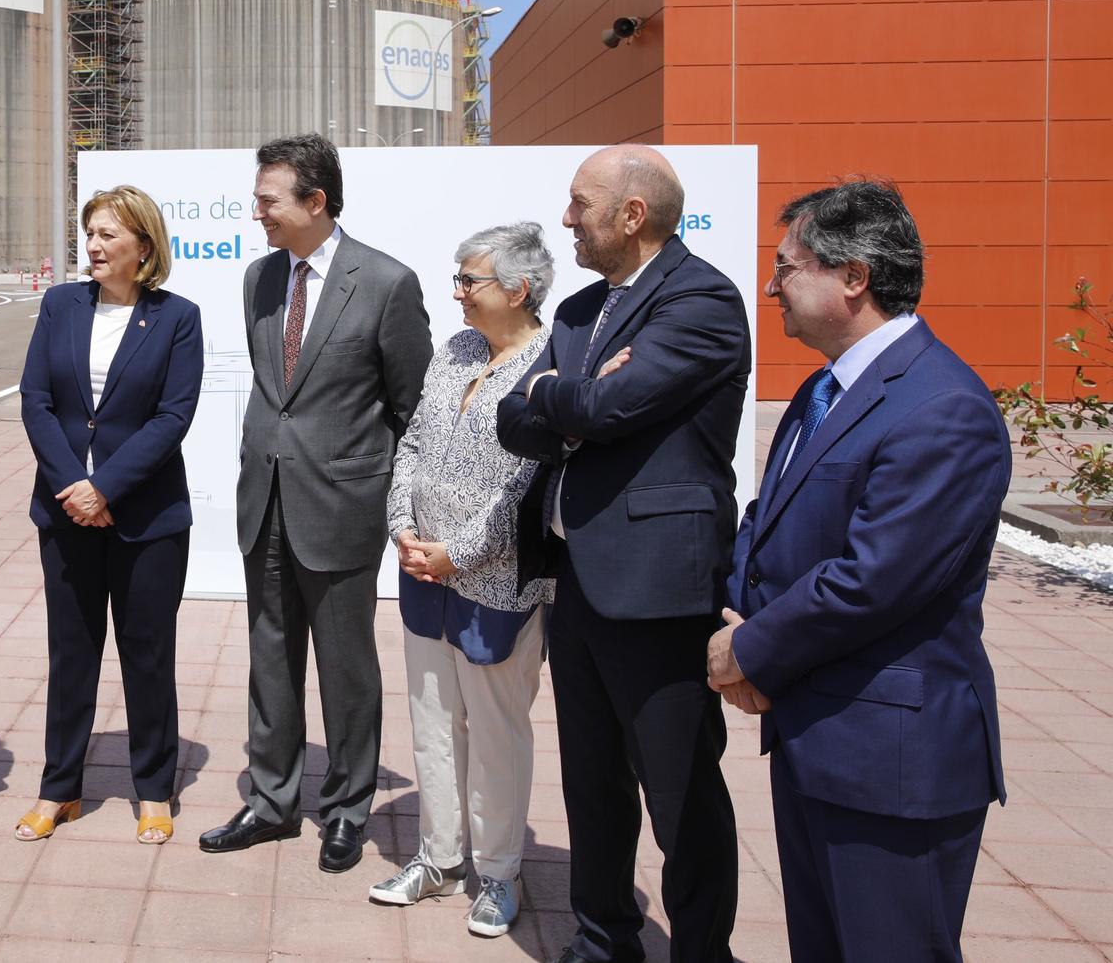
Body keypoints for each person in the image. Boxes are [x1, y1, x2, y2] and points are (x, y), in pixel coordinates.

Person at [709, 181, 1009, 962]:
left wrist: (750, 651)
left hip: (891, 761)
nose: (770, 285)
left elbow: (873, 578)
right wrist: (742, 622)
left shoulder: (944, 408)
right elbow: (764, 522)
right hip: (816, 732)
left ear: (853, 277)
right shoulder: (823, 387)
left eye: (787, 266)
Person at [495, 144, 749, 963]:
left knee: (682, 797)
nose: (566, 218)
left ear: (631, 214)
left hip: (659, 590)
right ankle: (604, 937)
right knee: (593, 782)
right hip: (578, 583)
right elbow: (515, 417)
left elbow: (611, 405)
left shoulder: (702, 299)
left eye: (580, 203)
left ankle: (702, 951)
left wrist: (569, 398)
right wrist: (563, 396)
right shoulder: (576, 312)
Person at [199, 133, 432, 874]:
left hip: (341, 507)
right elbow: (279, 393)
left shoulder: (388, 282)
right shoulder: (258, 279)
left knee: (346, 668)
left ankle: (346, 808)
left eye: (269, 200)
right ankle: (271, 802)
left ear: (315, 201)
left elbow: (410, 407)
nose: (257, 212)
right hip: (262, 500)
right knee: (269, 658)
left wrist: (388, 499)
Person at [374, 222, 557, 939]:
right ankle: (437, 857)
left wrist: (461, 551)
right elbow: (413, 440)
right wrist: (402, 528)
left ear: (518, 289)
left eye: (468, 279)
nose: (456, 292)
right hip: (424, 571)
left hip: (499, 581)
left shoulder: (549, 362)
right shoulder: (453, 350)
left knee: (498, 732)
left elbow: (527, 481)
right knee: (431, 722)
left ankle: (501, 871)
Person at [17, 185, 204, 845]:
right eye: (90, 232)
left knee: (146, 654)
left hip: (147, 517)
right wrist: (75, 483)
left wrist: (108, 488)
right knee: (71, 653)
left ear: (143, 247)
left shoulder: (178, 316)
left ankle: (153, 788)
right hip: (66, 509)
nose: (94, 245)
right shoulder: (59, 304)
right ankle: (58, 788)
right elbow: (36, 399)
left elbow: (172, 416)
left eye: (109, 235)